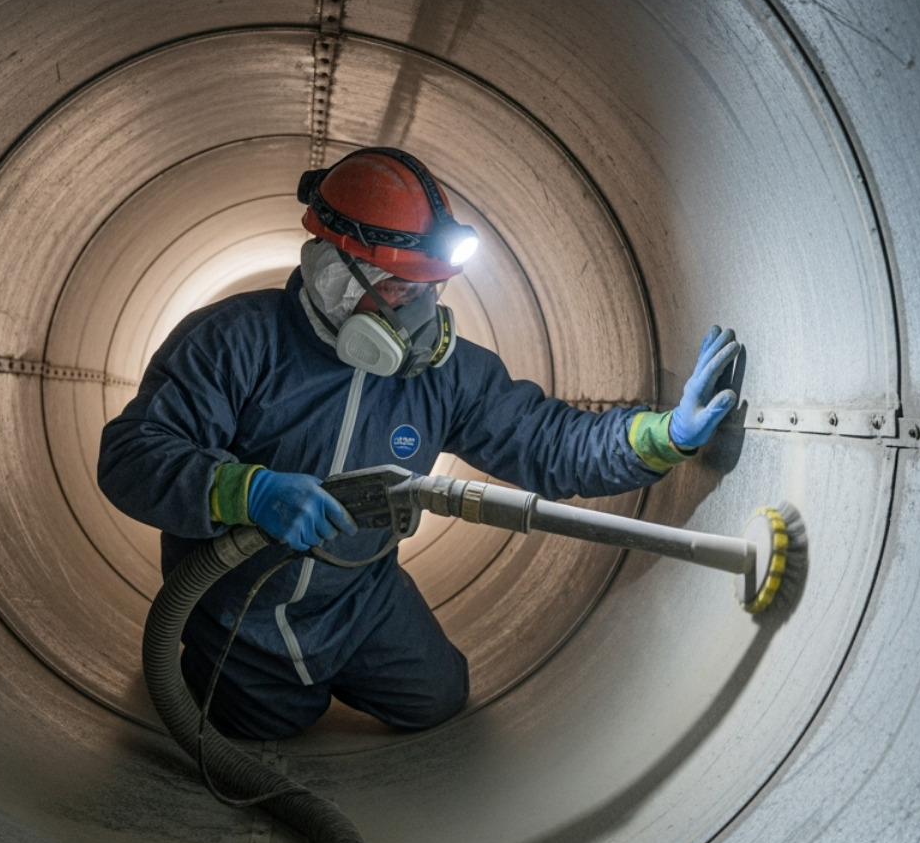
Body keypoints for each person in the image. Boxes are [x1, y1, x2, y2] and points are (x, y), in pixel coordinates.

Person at [98, 147, 739, 741]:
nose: (416, 312)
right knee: (264, 724)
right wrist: (247, 491)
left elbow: (548, 442)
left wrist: (664, 435)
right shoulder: (235, 341)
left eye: (430, 289)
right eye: (401, 287)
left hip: (361, 599)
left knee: (436, 697)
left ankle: (336, 668)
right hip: (242, 608)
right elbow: (131, 455)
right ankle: (213, 672)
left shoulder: (445, 372)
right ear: (333, 273)